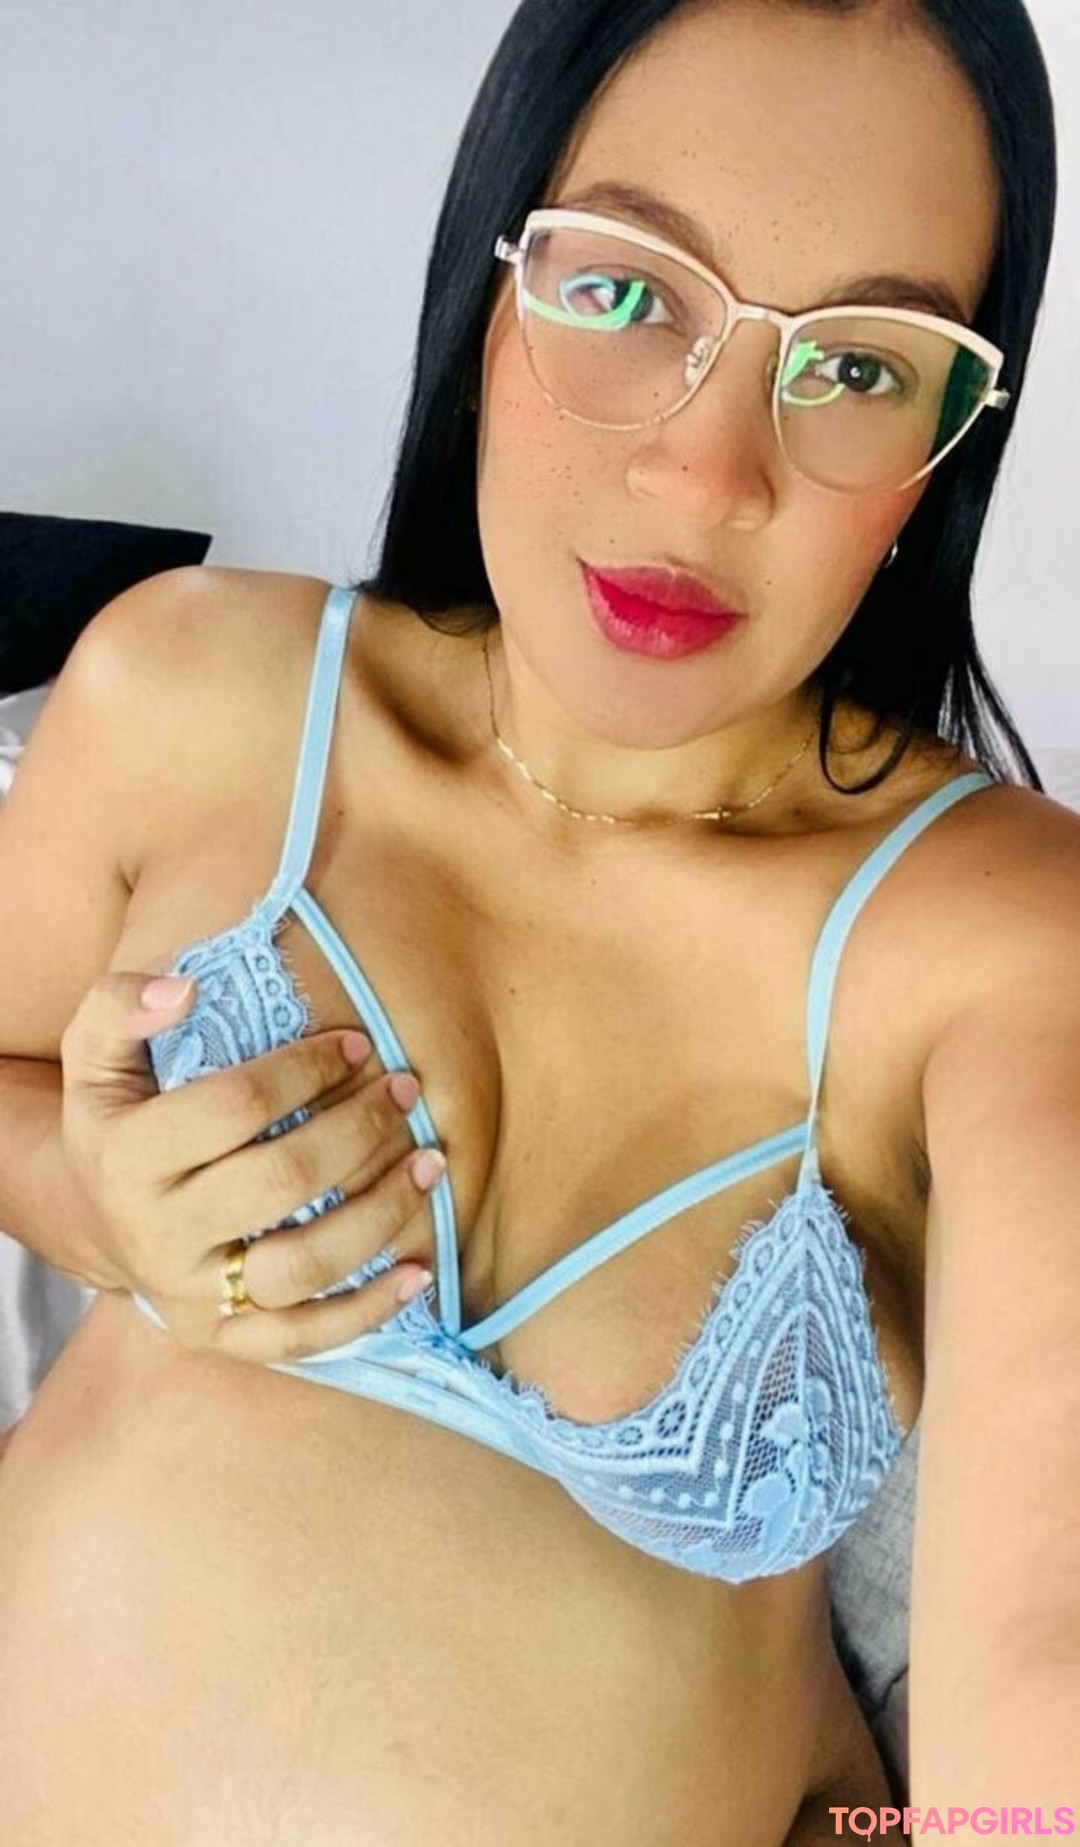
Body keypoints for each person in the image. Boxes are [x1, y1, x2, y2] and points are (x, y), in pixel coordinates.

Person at [0, 0, 1074, 1839]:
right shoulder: (186, 694)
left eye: (856, 365)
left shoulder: (997, 939)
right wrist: (98, 1203)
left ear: (944, 449)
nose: (705, 476)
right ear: (494, 282)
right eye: (629, 290)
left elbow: (1046, 1648)